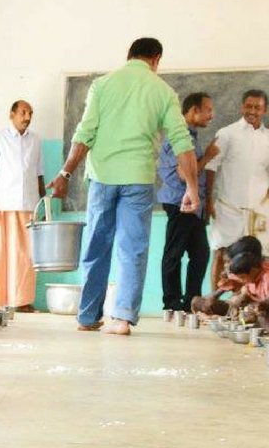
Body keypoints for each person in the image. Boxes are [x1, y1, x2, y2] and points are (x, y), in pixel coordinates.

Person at [49, 37, 201, 335]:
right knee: (132, 249)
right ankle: (122, 319)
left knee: (96, 248)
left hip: (102, 178)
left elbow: (85, 133)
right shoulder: (163, 91)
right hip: (138, 179)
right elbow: (182, 142)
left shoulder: (103, 85)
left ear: (129, 55)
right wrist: (192, 188)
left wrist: (65, 173)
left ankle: (88, 316)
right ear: (156, 59)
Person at [0, 100, 44, 312]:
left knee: (27, 255)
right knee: (2, 253)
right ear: (12, 114)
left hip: (29, 204)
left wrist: (44, 204)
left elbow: (39, 173)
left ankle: (23, 301)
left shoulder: (35, 140)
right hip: (4, 205)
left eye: (30, 113)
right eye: (23, 112)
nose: (27, 117)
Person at [205, 89, 269, 289]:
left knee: (260, 258)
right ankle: (213, 307)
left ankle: (251, 306)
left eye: (257, 107)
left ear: (265, 109)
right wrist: (207, 200)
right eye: (248, 106)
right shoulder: (226, 133)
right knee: (220, 253)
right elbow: (210, 167)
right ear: (242, 107)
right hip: (228, 207)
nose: (252, 111)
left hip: (259, 210)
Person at [158, 92, 216, 311]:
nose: (212, 115)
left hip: (194, 205)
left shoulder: (190, 136)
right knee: (174, 253)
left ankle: (191, 301)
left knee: (200, 253)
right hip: (179, 203)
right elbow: (184, 174)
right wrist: (208, 156)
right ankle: (171, 303)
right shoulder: (180, 136)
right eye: (208, 110)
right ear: (194, 111)